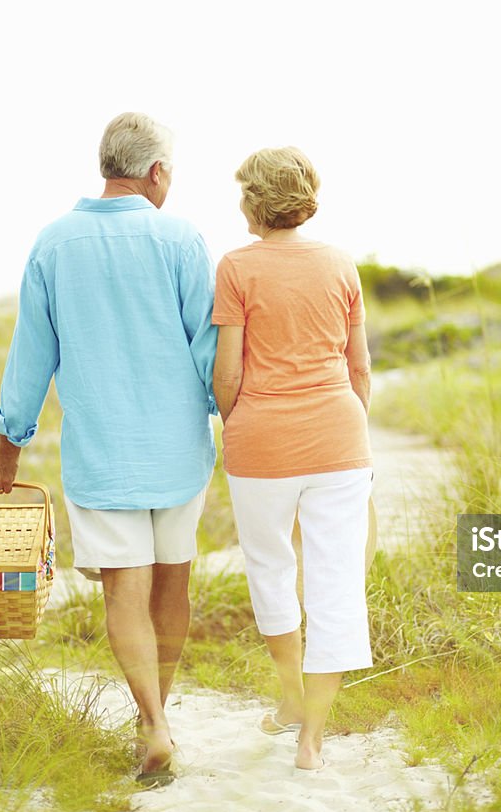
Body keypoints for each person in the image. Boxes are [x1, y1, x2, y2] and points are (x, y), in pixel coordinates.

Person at [0, 112, 217, 788]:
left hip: (103, 454)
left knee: (125, 587)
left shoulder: (53, 243)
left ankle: (152, 722)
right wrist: (233, 413)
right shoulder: (182, 238)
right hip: (178, 451)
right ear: (156, 172)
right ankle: (158, 720)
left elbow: (32, 356)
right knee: (174, 579)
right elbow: (210, 349)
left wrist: (9, 444)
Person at [212, 146, 374, 772]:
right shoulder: (340, 264)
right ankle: (313, 739)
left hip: (261, 445)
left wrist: (239, 423)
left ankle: (290, 699)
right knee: (335, 581)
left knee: (271, 569)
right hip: (339, 438)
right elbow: (359, 368)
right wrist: (351, 432)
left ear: (255, 200)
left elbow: (229, 371)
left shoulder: (235, 268)